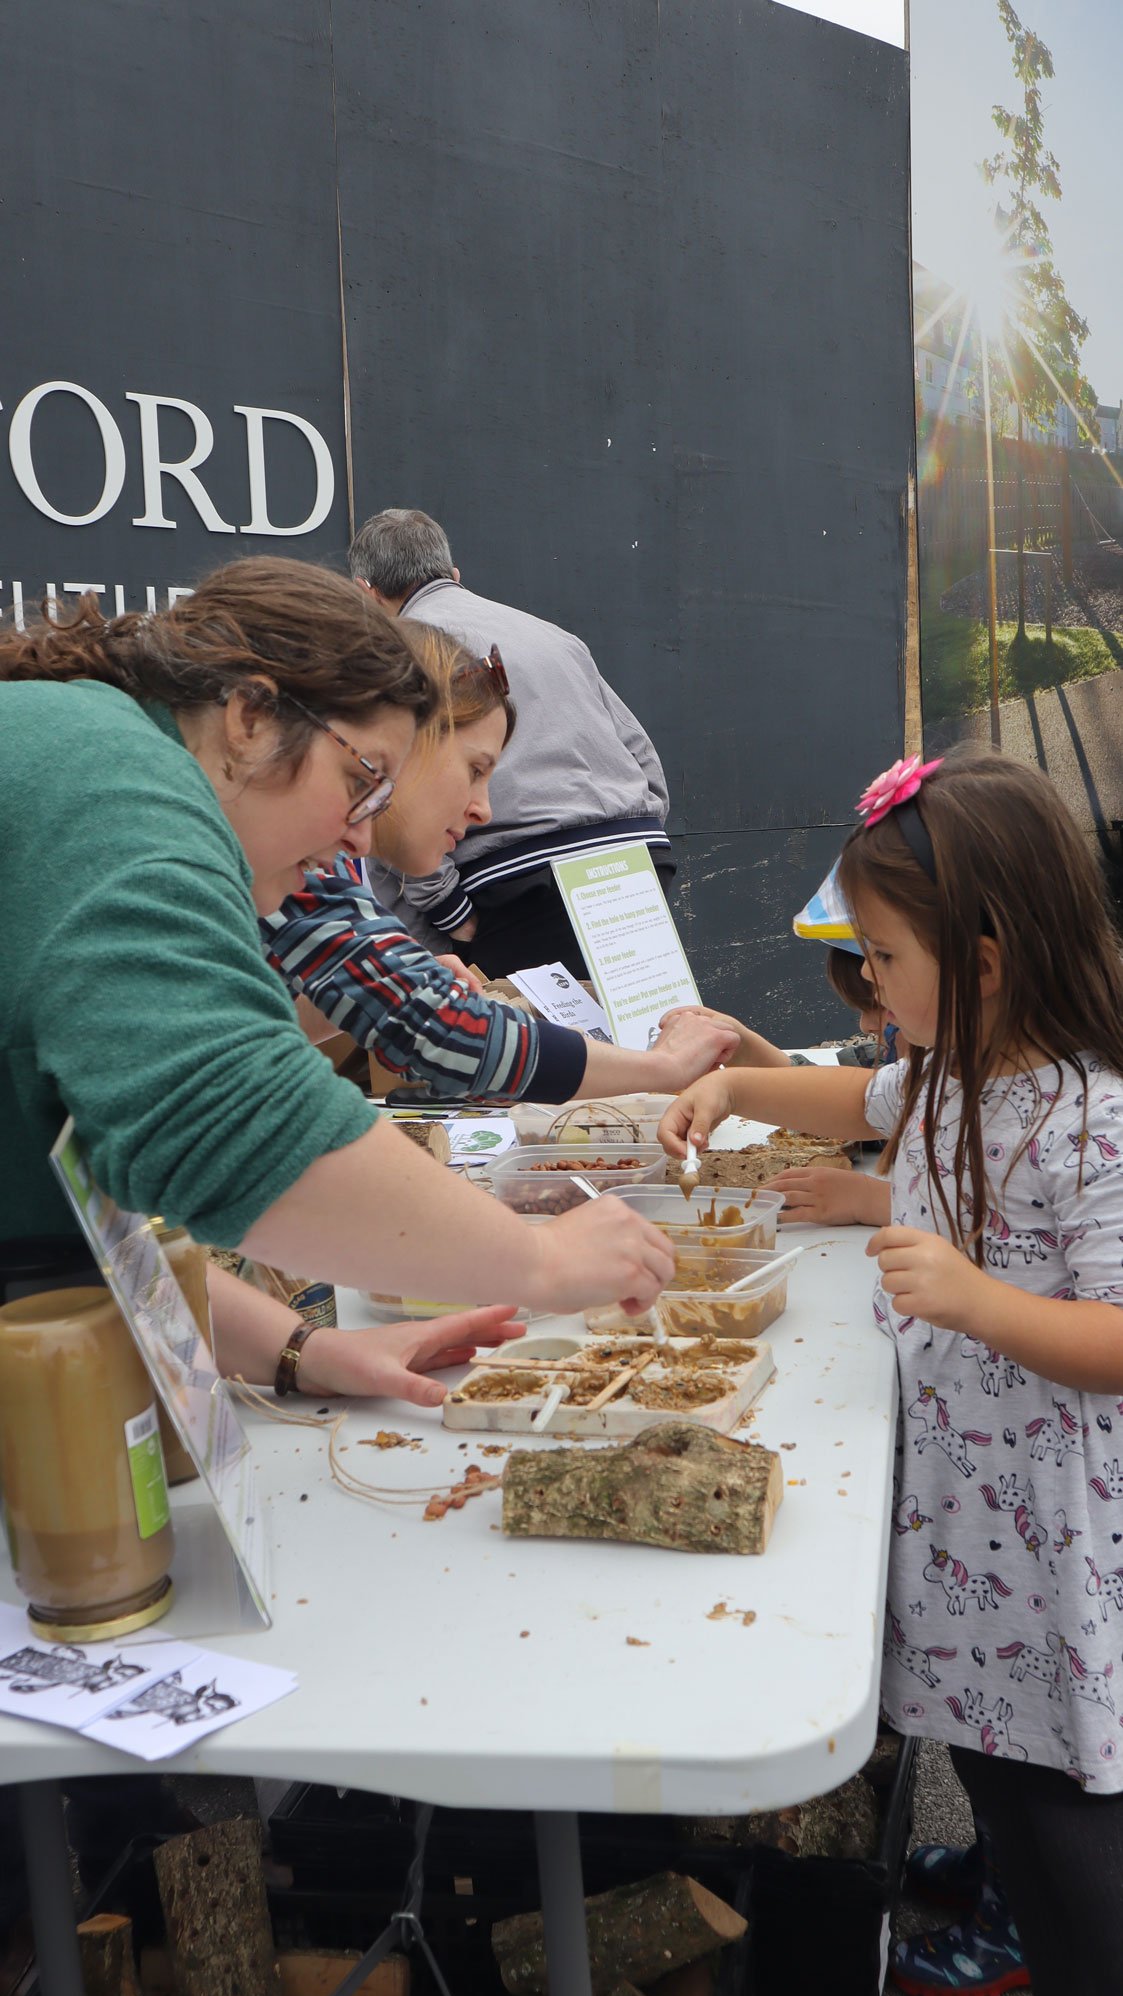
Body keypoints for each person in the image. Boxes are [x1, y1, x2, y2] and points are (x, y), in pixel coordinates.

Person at [660, 748, 1123, 1996]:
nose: (866, 982)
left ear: (979, 964)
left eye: (882, 957)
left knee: (1068, 1794)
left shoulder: (1090, 1114)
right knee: (989, 1756)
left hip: (1048, 1531)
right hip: (970, 1513)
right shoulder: (942, 1071)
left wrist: (979, 1299)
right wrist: (725, 1086)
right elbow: (843, 1094)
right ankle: (1010, 1897)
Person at [0, 559, 675, 1409]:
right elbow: (226, 1125)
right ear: (248, 717)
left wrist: (303, 1352)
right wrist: (536, 1260)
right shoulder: (119, 787)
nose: (361, 840)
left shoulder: (105, 759)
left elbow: (98, 1229)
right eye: (363, 781)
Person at [264, 624, 736, 1100]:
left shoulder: (278, 861)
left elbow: (271, 1016)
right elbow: (443, 1030)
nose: (483, 810)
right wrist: (660, 1069)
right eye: (475, 770)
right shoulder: (254, 859)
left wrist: (387, 988)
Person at [348, 507, 672, 977]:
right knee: (651, 1031)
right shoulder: (555, 636)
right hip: (634, 855)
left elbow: (398, 796)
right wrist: (637, 842)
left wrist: (448, 909)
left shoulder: (404, 651)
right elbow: (640, 754)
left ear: (366, 593)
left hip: (515, 880)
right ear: (454, 575)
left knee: (539, 1043)